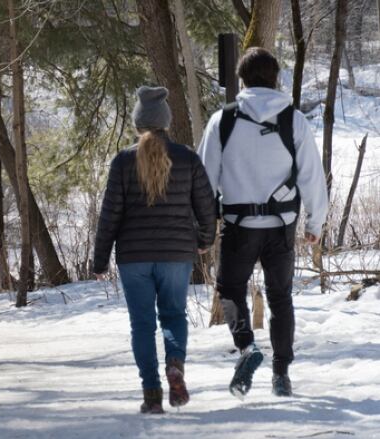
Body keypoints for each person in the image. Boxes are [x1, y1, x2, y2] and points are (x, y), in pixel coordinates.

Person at [198, 47, 328, 398]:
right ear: (276, 79)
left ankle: (246, 347)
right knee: (281, 298)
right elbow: (313, 177)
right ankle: (281, 374)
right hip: (281, 226)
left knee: (229, 290)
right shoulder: (293, 119)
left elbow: (204, 179)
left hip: (239, 226)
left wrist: (203, 228)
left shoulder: (222, 120)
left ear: (241, 80)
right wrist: (315, 222)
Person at [93, 86, 216, 414]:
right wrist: (205, 239)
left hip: (134, 258)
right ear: (165, 122)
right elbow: (206, 204)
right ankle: (175, 364)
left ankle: (151, 394)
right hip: (176, 254)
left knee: (143, 324)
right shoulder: (187, 158)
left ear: (138, 124)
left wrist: (100, 259)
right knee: (174, 315)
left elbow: (110, 215)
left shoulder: (122, 162)